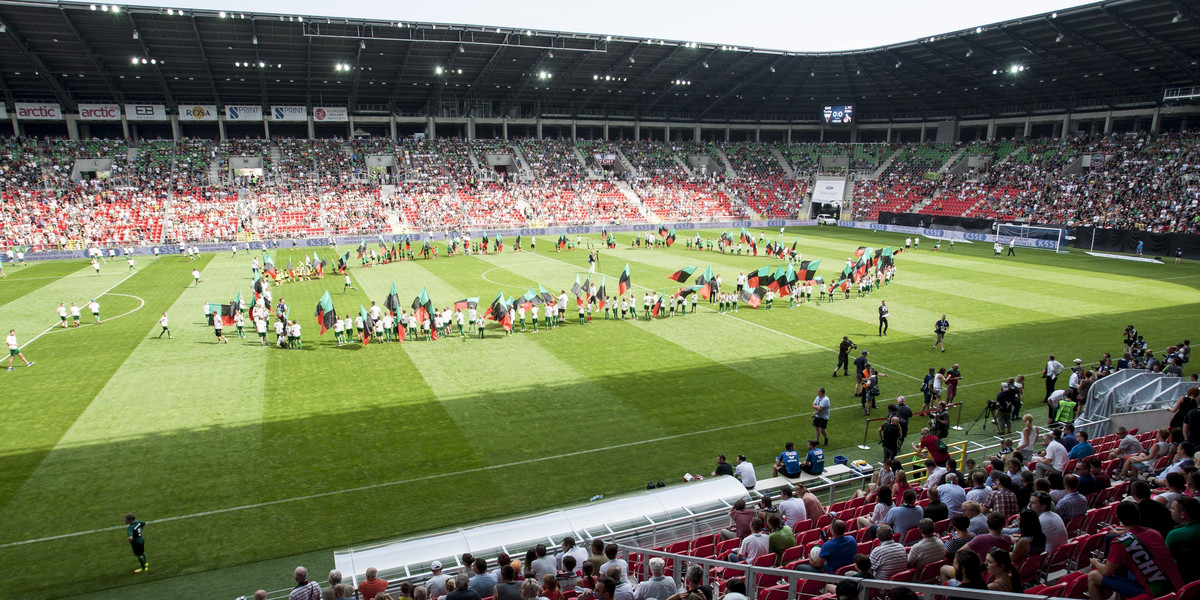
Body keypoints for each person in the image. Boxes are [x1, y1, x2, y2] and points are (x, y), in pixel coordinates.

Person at [1088, 501, 1183, 600]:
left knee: (1093, 576)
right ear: (1140, 517)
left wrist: (1094, 562)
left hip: (1155, 593)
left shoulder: (1120, 543)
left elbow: (1107, 572)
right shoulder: (1154, 533)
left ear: (1118, 518)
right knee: (1123, 570)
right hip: (1174, 587)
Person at [1167, 496, 1200, 581]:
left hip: (1187, 581)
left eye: (1173, 508)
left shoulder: (1175, 535)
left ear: (1182, 515)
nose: (1170, 510)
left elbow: (1164, 561)